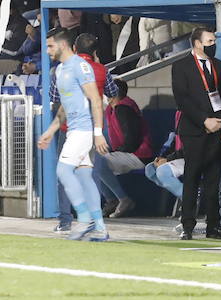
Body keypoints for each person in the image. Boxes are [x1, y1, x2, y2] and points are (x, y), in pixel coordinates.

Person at [36, 28, 111, 241]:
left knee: (63, 171)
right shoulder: (59, 70)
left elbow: (96, 100)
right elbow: (64, 107)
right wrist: (50, 132)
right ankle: (100, 228)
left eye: (50, 45)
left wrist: (98, 133)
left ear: (62, 45)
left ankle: (85, 219)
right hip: (73, 130)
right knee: (85, 177)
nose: (47, 50)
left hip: (84, 130)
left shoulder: (81, 66)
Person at [171, 27, 221, 239]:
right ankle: (187, 225)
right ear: (197, 43)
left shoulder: (219, 65)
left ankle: (213, 226)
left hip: (217, 130)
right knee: (192, 179)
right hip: (194, 131)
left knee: (214, 181)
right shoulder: (181, 66)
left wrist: (219, 121)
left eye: (213, 40)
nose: (212, 44)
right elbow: (182, 99)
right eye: (209, 40)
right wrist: (204, 121)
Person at [92, 79, 153, 219]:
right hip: (127, 152)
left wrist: (114, 152)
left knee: (96, 162)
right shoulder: (113, 108)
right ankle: (111, 201)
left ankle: (123, 199)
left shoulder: (124, 109)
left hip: (139, 155)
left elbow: (132, 140)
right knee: (91, 162)